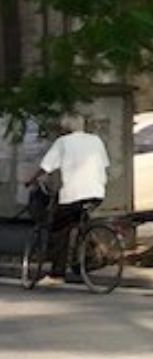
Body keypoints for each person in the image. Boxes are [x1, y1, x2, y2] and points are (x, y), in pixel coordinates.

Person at [26, 114, 110, 277]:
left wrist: (32, 180)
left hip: (73, 194)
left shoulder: (63, 142)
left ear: (65, 128)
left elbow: (46, 166)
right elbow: (104, 164)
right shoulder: (96, 140)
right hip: (96, 192)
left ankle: (58, 271)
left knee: (59, 228)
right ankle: (86, 256)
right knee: (80, 221)